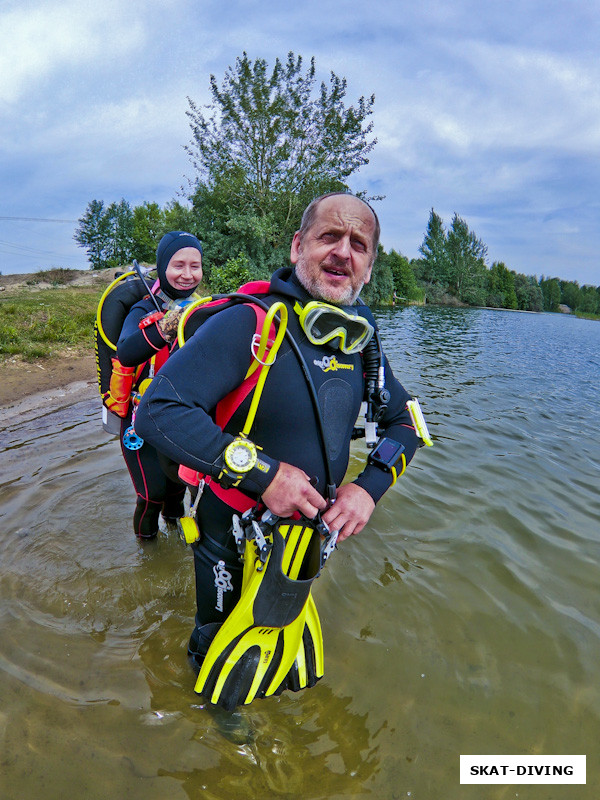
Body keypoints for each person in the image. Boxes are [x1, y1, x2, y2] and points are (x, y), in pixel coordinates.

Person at [134, 193, 423, 669]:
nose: (342, 252)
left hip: (306, 536)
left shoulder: (358, 337)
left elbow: (406, 420)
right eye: (328, 236)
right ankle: (220, 731)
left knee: (274, 640)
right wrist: (267, 476)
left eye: (359, 244)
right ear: (297, 246)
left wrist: (368, 490)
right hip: (227, 526)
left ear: (369, 267)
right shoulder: (248, 322)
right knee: (217, 642)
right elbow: (158, 411)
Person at [116, 231, 203, 539]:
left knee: (178, 490)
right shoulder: (142, 309)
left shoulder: (201, 308)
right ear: (163, 265)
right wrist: (168, 324)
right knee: (152, 496)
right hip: (141, 419)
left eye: (195, 266)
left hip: (181, 416)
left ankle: (176, 544)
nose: (187, 274)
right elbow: (126, 352)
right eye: (179, 265)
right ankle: (148, 559)